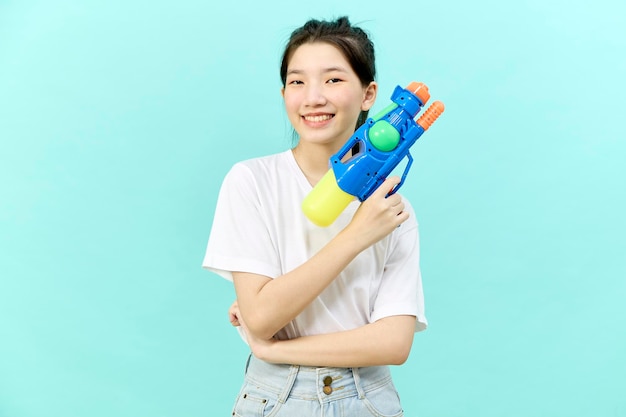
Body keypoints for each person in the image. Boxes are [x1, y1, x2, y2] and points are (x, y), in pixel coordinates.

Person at [203, 16, 427, 417]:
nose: (313, 98)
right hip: (274, 397)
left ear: (368, 94)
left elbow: (394, 343)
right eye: (297, 81)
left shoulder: (392, 210)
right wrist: (355, 236)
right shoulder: (252, 181)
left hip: (367, 399)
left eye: (334, 80)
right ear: (284, 92)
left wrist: (273, 347)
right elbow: (262, 315)